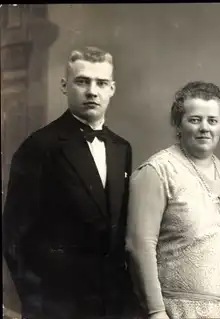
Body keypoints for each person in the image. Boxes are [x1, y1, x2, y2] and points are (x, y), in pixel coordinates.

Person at [2, 46, 141, 318]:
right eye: (82, 81)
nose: (92, 91)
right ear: (65, 86)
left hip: (111, 303)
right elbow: (13, 234)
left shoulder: (121, 148)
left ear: (112, 89)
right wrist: (36, 301)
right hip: (57, 304)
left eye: (101, 83)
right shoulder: (39, 146)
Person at [126, 81, 220, 319]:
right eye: (195, 119)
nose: (205, 128)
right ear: (178, 124)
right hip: (177, 313)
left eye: (212, 120)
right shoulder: (157, 170)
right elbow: (139, 247)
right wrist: (156, 312)